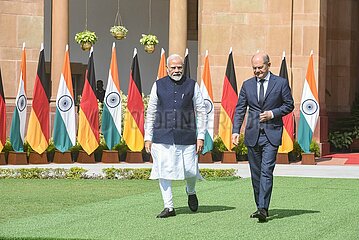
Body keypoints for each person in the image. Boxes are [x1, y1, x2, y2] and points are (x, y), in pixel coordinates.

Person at [232, 52, 294, 222]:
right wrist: (235, 130)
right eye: (254, 68)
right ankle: (260, 205)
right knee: (256, 173)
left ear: (268, 65)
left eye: (260, 67)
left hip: (271, 134)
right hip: (252, 134)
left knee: (267, 171)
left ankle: (262, 208)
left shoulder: (280, 83)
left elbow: (289, 105)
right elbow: (240, 109)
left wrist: (273, 114)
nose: (257, 71)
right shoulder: (247, 85)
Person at [144, 54, 207, 218]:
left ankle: (191, 191)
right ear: (167, 68)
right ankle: (169, 207)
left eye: (179, 67)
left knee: (190, 171)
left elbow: (201, 111)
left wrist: (200, 136)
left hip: (187, 136)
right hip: (161, 136)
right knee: (163, 171)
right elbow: (150, 112)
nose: (176, 70)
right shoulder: (158, 85)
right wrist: (147, 137)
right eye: (173, 67)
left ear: (183, 67)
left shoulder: (192, 85)